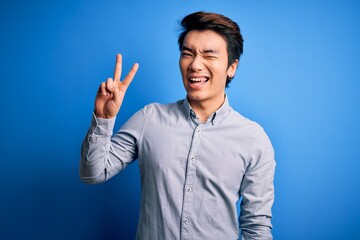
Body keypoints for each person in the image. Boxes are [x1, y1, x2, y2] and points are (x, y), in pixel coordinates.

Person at [80, 11, 276, 240]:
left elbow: (257, 229)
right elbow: (92, 173)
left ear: (232, 67)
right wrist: (103, 118)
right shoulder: (149, 119)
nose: (195, 65)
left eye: (209, 55)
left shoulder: (253, 139)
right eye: (187, 54)